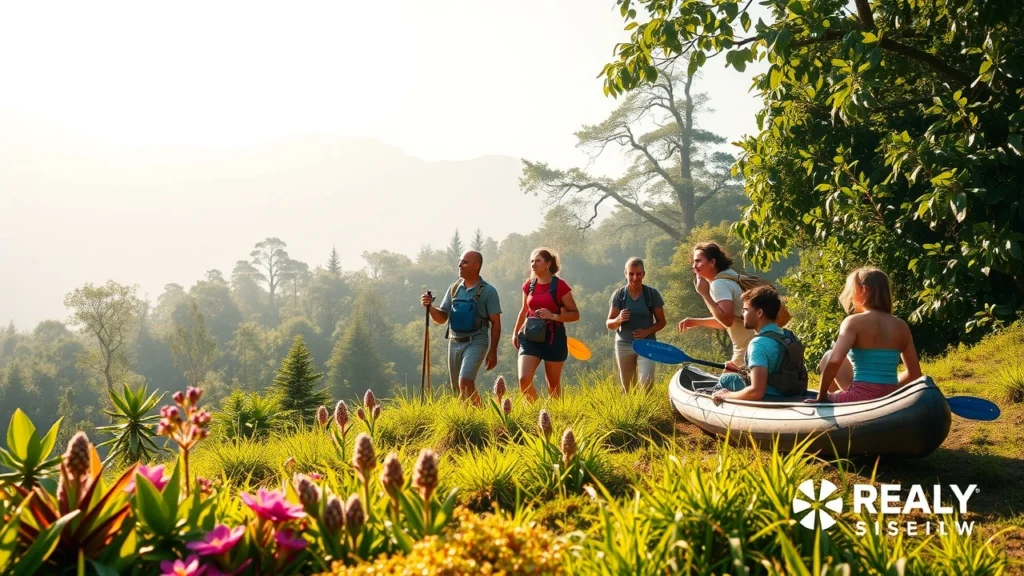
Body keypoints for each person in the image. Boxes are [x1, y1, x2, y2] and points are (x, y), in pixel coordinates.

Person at [807, 267, 921, 404]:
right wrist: (889, 390)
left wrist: (822, 396)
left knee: (829, 356)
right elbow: (914, 374)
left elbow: (834, 362)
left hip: (861, 399)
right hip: (890, 397)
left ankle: (832, 410)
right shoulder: (901, 326)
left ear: (864, 290)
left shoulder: (853, 322)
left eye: (853, 290)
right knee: (832, 358)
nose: (851, 295)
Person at [421, 250, 501, 406]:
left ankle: (483, 417)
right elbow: (443, 317)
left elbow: (496, 322)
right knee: (457, 390)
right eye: (460, 261)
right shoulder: (454, 288)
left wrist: (493, 351)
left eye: (464, 262)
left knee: (465, 382)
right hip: (454, 340)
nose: (459, 264)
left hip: (477, 340)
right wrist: (429, 307)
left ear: (476, 266)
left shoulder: (488, 291)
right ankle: (470, 421)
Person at [710, 285, 808, 404]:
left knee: (727, 379)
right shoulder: (787, 335)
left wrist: (727, 395)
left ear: (759, 313)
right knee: (734, 376)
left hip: (771, 397)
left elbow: (757, 392)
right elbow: (774, 372)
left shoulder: (758, 344)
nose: (742, 315)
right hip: (790, 392)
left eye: (746, 310)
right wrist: (740, 370)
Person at [512, 248, 580, 401]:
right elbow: (524, 310)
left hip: (554, 337)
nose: (533, 264)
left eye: (537, 261)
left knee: (553, 386)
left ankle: (554, 418)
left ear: (548, 263)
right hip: (530, 336)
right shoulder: (529, 285)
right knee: (524, 379)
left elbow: (575, 314)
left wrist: (553, 316)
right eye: (531, 261)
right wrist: (516, 332)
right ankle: (536, 414)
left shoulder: (560, 286)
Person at [678, 242, 757, 367]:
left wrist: (704, 294)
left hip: (748, 351)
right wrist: (696, 322)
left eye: (698, 261)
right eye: (693, 262)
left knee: (727, 382)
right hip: (757, 345)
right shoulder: (731, 276)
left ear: (712, 262)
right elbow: (730, 320)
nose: (694, 266)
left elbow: (727, 320)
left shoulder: (718, 284)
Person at [606, 257, 667, 392]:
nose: (635, 278)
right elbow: (609, 324)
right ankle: (633, 411)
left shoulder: (652, 294)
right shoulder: (619, 295)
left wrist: (647, 331)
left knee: (647, 382)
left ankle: (648, 411)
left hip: (647, 344)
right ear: (625, 274)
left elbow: (662, 322)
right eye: (631, 274)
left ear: (643, 274)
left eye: (638, 274)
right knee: (628, 388)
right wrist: (618, 319)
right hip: (624, 344)